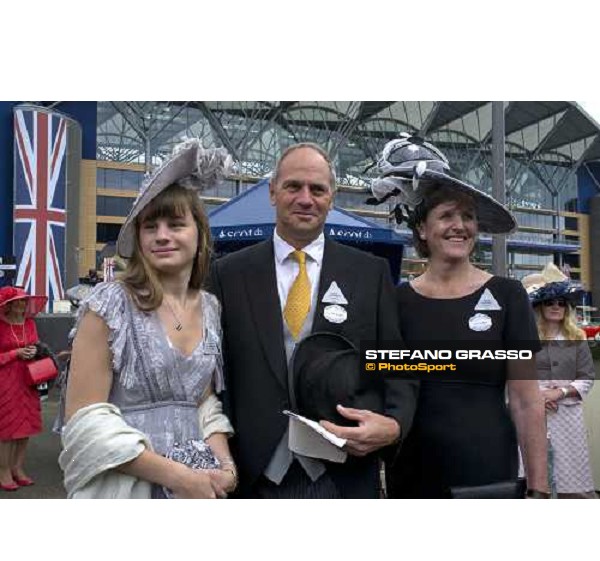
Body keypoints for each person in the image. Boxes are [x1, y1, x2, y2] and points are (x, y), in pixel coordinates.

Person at [210, 142, 419, 498]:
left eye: (317, 189)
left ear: (331, 198)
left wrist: (395, 424)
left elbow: (395, 362)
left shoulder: (370, 274)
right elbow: (216, 374)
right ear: (272, 192)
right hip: (254, 475)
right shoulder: (228, 274)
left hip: (344, 472)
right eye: (293, 186)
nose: (306, 198)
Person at [369, 134, 549, 498]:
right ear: (422, 228)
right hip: (411, 469)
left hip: (487, 473)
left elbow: (527, 401)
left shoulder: (507, 295)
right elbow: (384, 388)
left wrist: (539, 489)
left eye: (467, 216)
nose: (460, 225)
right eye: (446, 215)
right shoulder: (395, 300)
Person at [59, 139, 237, 499]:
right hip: (125, 488)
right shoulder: (109, 303)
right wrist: (179, 477)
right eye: (150, 226)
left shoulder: (210, 307)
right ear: (138, 238)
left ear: (199, 234)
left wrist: (225, 466)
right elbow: (85, 421)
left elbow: (202, 402)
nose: (163, 236)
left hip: (195, 490)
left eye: (175, 224)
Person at [523, 263, 597, 498]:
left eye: (561, 303)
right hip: (531, 414)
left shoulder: (577, 337)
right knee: (533, 478)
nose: (556, 307)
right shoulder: (524, 338)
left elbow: (586, 378)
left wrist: (561, 392)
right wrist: (537, 398)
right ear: (539, 306)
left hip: (566, 416)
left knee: (571, 483)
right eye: (550, 302)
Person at [0, 286, 47, 491]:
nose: (21, 305)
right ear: (7, 305)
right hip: (6, 380)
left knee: (25, 426)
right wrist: (15, 353)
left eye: (23, 301)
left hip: (29, 378)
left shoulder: (30, 323)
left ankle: (17, 469)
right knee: (7, 428)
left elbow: (36, 344)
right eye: (17, 302)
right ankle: (4, 471)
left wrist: (32, 351)